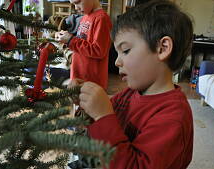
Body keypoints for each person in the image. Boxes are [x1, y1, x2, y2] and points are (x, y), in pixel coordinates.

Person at [75, 0, 194, 168]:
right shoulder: (130, 93)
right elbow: (100, 123)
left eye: (125, 51)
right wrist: (86, 103)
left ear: (162, 48)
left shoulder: (174, 116)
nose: (117, 62)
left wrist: (103, 116)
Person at [55, 0, 112, 89]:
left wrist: (71, 40)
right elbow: (82, 43)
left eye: (77, 2)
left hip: (92, 82)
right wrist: (66, 40)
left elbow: (99, 51)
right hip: (79, 75)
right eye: (73, 4)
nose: (76, 8)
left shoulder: (101, 18)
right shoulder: (85, 17)